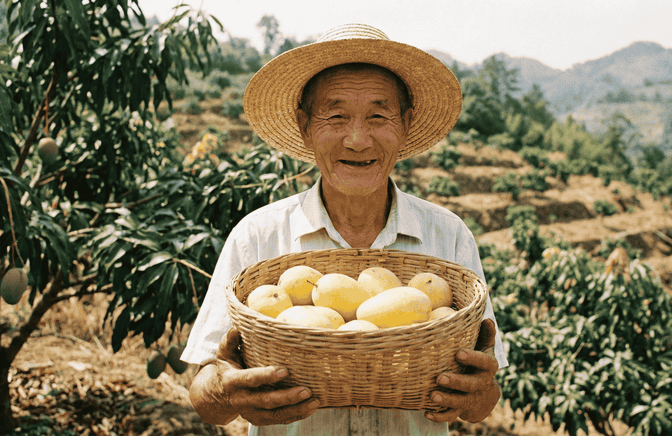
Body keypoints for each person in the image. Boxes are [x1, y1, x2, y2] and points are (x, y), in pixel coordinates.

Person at [182, 23, 509, 435]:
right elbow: (204, 392)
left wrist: (477, 395)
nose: (357, 139)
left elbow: (484, 399)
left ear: (406, 124)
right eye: (336, 116)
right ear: (305, 125)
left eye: (378, 116)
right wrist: (224, 392)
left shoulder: (449, 235)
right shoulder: (258, 236)